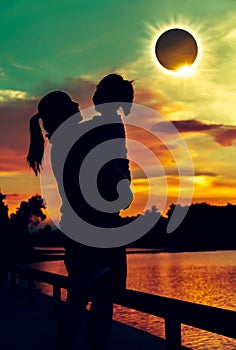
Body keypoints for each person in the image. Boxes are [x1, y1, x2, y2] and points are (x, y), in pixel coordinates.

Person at [27, 74, 134, 350]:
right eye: (74, 107)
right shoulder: (74, 139)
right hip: (97, 233)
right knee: (94, 302)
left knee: (81, 299)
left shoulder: (65, 140)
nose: (79, 108)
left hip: (81, 237)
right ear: (64, 114)